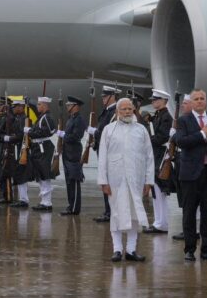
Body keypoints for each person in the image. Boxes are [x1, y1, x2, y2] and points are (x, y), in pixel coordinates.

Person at [97, 98, 154, 262]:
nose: (127, 112)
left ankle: (130, 249)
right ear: (117, 112)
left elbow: (149, 157)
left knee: (134, 214)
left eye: (130, 109)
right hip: (115, 180)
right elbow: (102, 158)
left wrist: (148, 181)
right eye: (124, 109)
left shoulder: (141, 130)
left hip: (136, 179)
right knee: (116, 214)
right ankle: (116, 249)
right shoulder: (109, 130)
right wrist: (103, 181)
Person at [174, 89, 207, 262]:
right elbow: (181, 141)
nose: (199, 101)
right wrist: (202, 134)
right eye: (195, 99)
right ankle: (189, 249)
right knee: (189, 212)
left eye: (202, 98)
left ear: (206, 101)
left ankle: (206, 250)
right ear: (191, 102)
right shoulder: (184, 121)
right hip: (191, 174)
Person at [143, 89, 173, 234]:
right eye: (153, 100)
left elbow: (161, 137)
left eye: (156, 100)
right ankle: (158, 221)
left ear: (163, 101)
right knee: (155, 190)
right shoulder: (158, 116)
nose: (153, 102)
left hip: (160, 155)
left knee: (160, 190)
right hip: (155, 154)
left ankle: (162, 223)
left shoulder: (166, 117)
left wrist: (147, 140)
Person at [90, 86, 121, 222]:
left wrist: (94, 132)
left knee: (109, 182)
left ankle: (111, 211)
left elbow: (107, 132)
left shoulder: (114, 112)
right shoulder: (107, 111)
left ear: (112, 97)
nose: (103, 99)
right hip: (103, 151)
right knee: (105, 180)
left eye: (105, 96)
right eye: (103, 97)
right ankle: (108, 211)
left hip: (109, 153)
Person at [0, 97, 30, 208]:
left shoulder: (23, 119)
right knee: (18, 174)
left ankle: (24, 200)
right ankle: (22, 199)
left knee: (21, 174)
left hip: (21, 148)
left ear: (21, 107)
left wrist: (8, 138)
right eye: (14, 107)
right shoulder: (17, 118)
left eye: (16, 107)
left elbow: (20, 136)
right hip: (17, 148)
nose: (14, 109)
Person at [28, 96, 57, 211]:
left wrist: (30, 131)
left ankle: (47, 202)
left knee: (44, 174)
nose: (37, 106)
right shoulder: (42, 117)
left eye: (39, 104)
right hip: (38, 147)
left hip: (43, 148)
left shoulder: (47, 118)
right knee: (40, 175)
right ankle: (44, 201)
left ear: (45, 105)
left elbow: (49, 131)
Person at [171, 94, 194, 241]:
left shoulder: (193, 121)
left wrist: (174, 136)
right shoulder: (182, 120)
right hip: (180, 161)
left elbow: (183, 140)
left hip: (190, 163)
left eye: (186, 103)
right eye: (183, 103)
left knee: (190, 200)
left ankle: (192, 230)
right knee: (183, 198)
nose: (183, 106)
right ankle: (187, 228)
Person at [59, 96, 87, 215]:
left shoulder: (79, 120)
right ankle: (71, 205)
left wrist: (63, 135)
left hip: (74, 153)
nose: (67, 107)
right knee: (69, 181)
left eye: (69, 105)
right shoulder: (71, 119)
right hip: (67, 152)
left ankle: (75, 208)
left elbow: (76, 136)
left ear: (76, 106)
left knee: (74, 181)